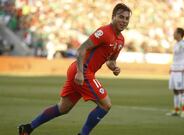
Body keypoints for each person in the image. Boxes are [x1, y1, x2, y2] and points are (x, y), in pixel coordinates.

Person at [18, 3, 131, 135]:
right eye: (121, 17)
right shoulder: (104, 32)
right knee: (105, 105)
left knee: (63, 108)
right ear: (113, 17)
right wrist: (80, 72)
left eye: (126, 18)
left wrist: (114, 68)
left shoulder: (121, 40)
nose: (124, 21)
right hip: (83, 71)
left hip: (80, 71)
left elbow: (111, 61)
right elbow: (82, 48)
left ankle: (27, 128)